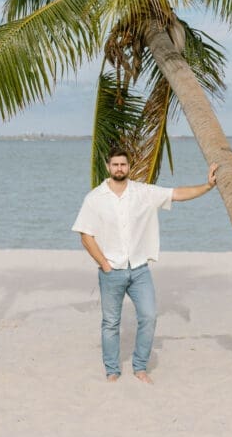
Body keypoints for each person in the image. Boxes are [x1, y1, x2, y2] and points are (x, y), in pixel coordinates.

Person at [72, 147, 218, 384]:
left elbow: (177, 194)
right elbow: (85, 235)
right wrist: (105, 264)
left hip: (140, 269)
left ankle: (140, 367)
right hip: (111, 271)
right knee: (111, 323)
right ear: (108, 167)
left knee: (149, 316)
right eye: (115, 165)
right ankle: (112, 370)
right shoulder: (94, 199)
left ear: (129, 167)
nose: (120, 168)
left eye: (123, 164)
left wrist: (208, 186)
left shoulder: (143, 193)